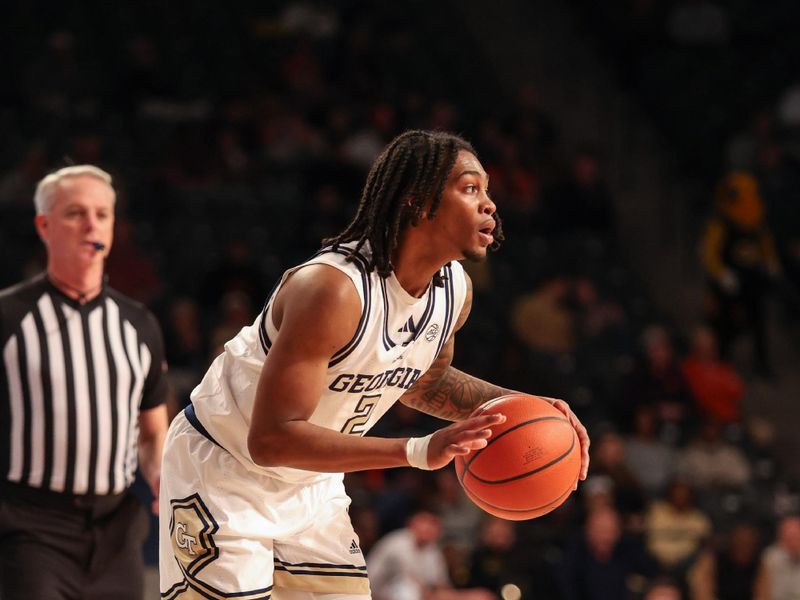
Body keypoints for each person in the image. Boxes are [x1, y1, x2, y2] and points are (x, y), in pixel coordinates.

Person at [159, 130, 591, 599]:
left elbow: (422, 381)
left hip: (310, 486)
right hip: (226, 471)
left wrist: (525, 407)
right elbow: (271, 439)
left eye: (487, 191)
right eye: (469, 188)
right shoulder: (332, 290)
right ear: (416, 200)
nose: (489, 203)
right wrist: (416, 451)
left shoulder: (454, 292)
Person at [0, 165, 169, 599]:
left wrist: (162, 476)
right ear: (44, 225)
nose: (92, 224)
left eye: (102, 214)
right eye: (76, 213)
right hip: (29, 525)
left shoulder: (139, 323)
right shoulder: (10, 317)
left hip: (116, 527)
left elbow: (152, 434)